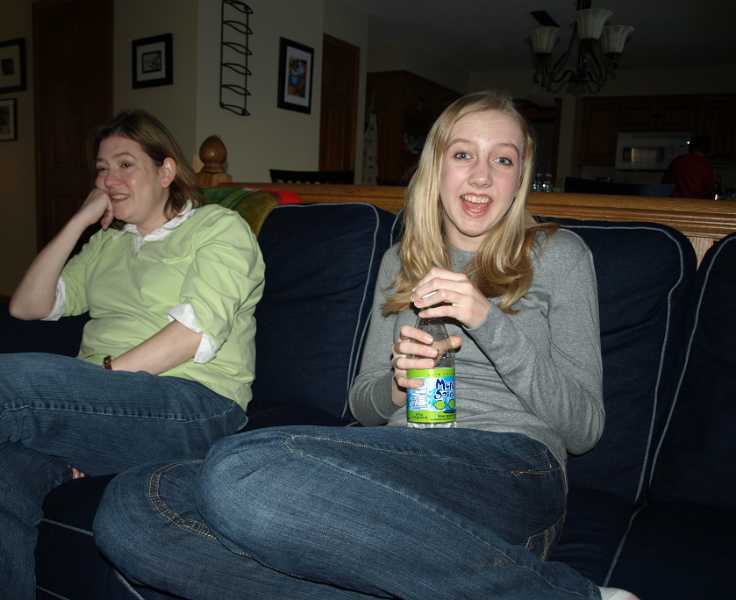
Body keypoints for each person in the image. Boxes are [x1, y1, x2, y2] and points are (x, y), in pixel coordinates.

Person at [93, 92, 638, 600]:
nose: (480, 176)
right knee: (137, 504)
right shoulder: (402, 262)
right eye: (463, 154)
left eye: (502, 159)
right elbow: (364, 404)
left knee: (242, 473)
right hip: (400, 464)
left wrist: (487, 319)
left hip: (511, 470)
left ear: (520, 176)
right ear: (436, 166)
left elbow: (584, 428)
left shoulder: (558, 255)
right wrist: (399, 386)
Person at [0, 110, 265, 599]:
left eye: (126, 164)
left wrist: (93, 389)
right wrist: (79, 222)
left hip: (194, 405)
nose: (109, 180)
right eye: (102, 168)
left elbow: (191, 336)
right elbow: (28, 305)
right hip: (106, 405)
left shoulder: (218, 228)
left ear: (166, 171)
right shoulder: (109, 244)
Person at [663, 135, 715, 199]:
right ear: (706, 148)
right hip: (698, 202)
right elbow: (709, 189)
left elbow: (665, 184)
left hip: (677, 201)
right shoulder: (705, 165)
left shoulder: (678, 161)